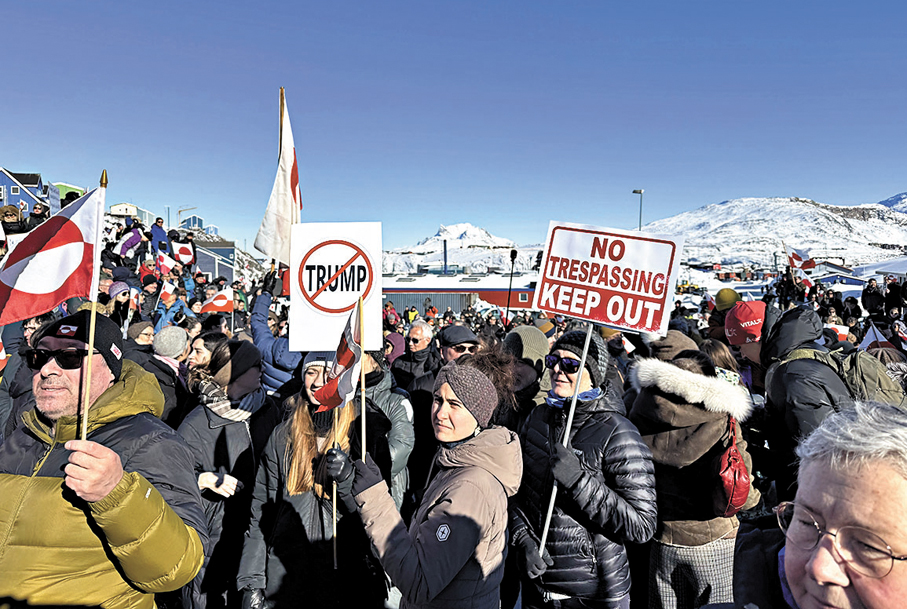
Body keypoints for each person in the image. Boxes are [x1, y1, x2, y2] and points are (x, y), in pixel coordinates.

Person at [0, 311, 207, 606]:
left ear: (109, 369)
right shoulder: (25, 431)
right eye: (40, 356)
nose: (47, 369)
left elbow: (179, 567)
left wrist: (119, 495)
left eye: (70, 357)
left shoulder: (151, 440)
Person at [326, 359, 523, 609]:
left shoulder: (471, 487)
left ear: (479, 416)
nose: (440, 413)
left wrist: (375, 498)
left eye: (455, 404)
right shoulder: (455, 461)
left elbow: (419, 583)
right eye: (438, 400)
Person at [510, 330, 657, 609]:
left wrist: (579, 482)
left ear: (593, 373)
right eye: (554, 360)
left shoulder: (618, 432)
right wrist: (523, 540)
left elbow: (641, 525)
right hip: (538, 589)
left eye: (571, 365)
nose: (557, 370)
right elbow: (515, 492)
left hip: (594, 594)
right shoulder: (538, 418)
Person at [236, 352, 394, 608]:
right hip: (287, 579)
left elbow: (379, 518)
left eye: (328, 373)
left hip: (346, 581)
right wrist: (252, 582)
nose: (319, 382)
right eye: (311, 372)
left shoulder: (365, 435)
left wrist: (346, 480)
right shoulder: (282, 436)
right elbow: (261, 515)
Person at [629, 351, 760, 608]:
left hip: (662, 537)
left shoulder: (639, 413)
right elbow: (742, 488)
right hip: (714, 537)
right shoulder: (724, 420)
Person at [178, 340, 281, 609]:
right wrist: (203, 480)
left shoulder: (269, 409)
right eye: (254, 365)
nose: (262, 369)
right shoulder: (196, 421)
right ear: (232, 374)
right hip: (217, 535)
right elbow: (172, 480)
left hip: (261, 531)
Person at [250, 271, 301, 394]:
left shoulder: (266, 347)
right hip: (299, 407)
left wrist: (266, 293)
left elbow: (258, 321)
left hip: (269, 403)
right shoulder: (314, 355)